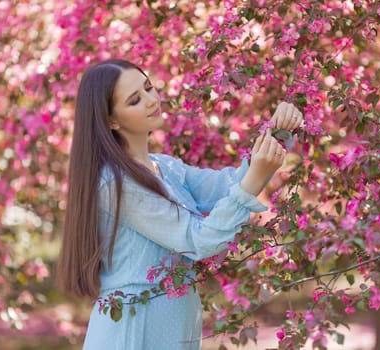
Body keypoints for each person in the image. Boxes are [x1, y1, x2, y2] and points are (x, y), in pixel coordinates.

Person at [56, 59, 303, 350]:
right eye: (135, 100)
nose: (151, 100)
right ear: (111, 120)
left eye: (148, 87)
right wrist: (256, 174)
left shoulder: (166, 168)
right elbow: (199, 240)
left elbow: (233, 184)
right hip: (132, 332)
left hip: (173, 326)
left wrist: (279, 132)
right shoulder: (115, 183)